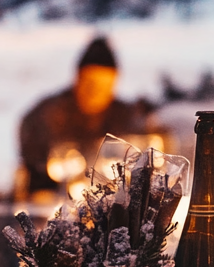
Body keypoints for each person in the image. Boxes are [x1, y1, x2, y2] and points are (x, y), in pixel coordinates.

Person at [17, 36, 154, 198]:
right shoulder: (47, 115)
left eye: (104, 84)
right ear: (77, 77)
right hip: (54, 198)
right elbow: (32, 163)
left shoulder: (126, 116)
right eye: (90, 81)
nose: (95, 90)